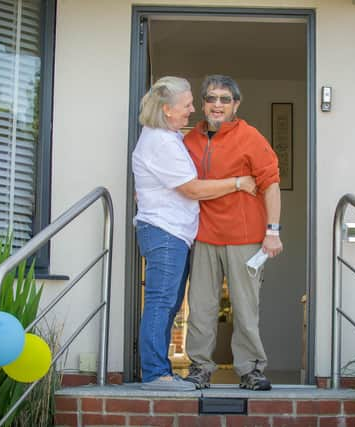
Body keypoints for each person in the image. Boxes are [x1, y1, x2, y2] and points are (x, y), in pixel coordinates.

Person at [132, 76, 257, 391]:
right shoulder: (160, 141)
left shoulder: (167, 136)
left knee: (168, 304)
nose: (191, 110)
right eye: (187, 104)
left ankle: (160, 372)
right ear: (167, 109)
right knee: (162, 303)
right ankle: (155, 374)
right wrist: (238, 182)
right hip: (165, 234)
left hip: (172, 234)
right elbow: (191, 188)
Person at [183, 75, 283, 391]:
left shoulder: (251, 137)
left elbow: (271, 184)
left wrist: (273, 231)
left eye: (225, 99)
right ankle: (199, 368)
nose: (217, 105)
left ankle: (250, 370)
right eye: (211, 98)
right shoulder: (189, 141)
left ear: (236, 104)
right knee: (200, 307)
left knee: (245, 307)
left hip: (245, 236)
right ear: (202, 104)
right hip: (203, 234)